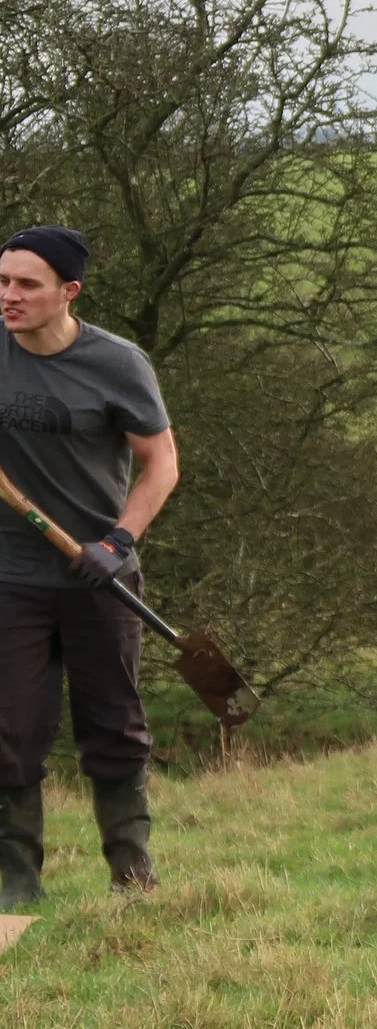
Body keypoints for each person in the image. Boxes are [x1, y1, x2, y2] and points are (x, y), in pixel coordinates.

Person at [0, 226, 181, 904]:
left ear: (68, 292)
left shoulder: (117, 362)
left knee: (113, 723)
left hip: (97, 573)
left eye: (26, 284)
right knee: (8, 726)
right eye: (2, 279)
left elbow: (161, 461)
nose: (8, 296)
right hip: (9, 574)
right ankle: (18, 884)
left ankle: (132, 875)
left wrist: (119, 541)